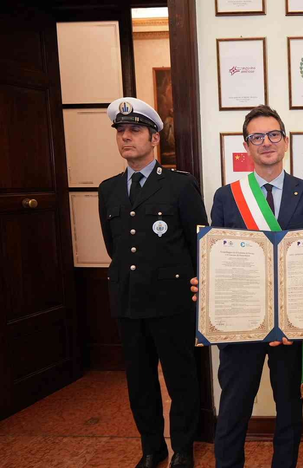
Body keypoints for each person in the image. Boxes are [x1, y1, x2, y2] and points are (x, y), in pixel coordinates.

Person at [191, 105, 303, 468]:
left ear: (285, 141)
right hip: (240, 325)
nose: (266, 142)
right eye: (257, 137)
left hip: (291, 328)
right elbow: (218, 257)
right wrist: (207, 283)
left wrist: (300, 317)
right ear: (246, 145)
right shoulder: (226, 197)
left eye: (273, 135)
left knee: (290, 410)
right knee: (233, 409)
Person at [98, 97, 208, 468]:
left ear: (155, 138)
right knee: (139, 381)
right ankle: (152, 448)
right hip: (128, 301)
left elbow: (199, 244)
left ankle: (183, 448)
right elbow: (114, 246)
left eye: (135, 130)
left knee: (180, 379)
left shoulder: (179, 186)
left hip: (171, 300)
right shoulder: (108, 189)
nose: (126, 137)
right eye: (121, 131)